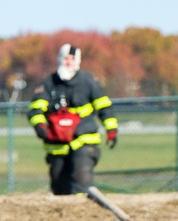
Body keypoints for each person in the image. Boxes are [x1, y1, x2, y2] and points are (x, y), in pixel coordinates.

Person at [27, 43, 118, 195]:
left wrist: (111, 129)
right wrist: (40, 127)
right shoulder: (48, 84)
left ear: (78, 61)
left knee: (81, 180)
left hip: (84, 141)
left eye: (72, 58)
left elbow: (104, 106)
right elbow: (35, 110)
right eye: (65, 58)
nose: (68, 62)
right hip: (57, 146)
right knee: (59, 185)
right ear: (59, 59)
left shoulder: (88, 81)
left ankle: (82, 213)